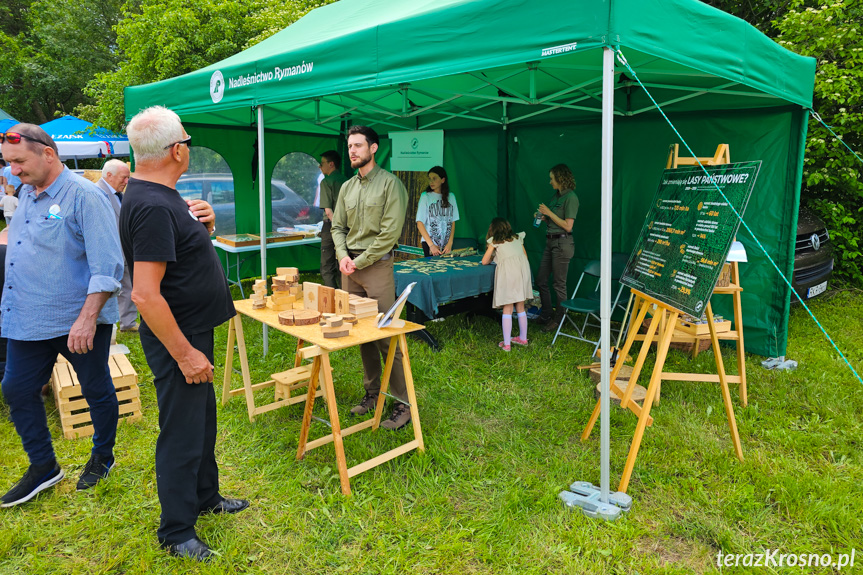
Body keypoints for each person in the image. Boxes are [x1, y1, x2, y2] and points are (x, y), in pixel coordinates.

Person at [121, 106, 247, 561]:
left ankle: (205, 496)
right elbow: (145, 295)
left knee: (201, 422)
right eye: (188, 143)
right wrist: (186, 354)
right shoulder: (153, 205)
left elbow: (178, 256)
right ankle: (176, 531)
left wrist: (205, 227)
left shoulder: (161, 195)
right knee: (181, 431)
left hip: (190, 329)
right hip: (180, 337)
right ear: (178, 150)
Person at [0, 124, 124, 507]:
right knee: (16, 389)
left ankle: (103, 454)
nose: (12, 172)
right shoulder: (27, 193)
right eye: (8, 164)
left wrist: (87, 318)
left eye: (18, 162)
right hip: (29, 319)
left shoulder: (84, 196)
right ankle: (44, 466)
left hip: (78, 321)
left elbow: (108, 265)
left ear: (48, 154)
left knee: (95, 388)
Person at [331, 125, 411, 430]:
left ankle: (402, 402)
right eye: (350, 146)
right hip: (350, 266)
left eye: (358, 146)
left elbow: (390, 233)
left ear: (373, 148)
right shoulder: (346, 188)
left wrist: (358, 261)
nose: (352, 151)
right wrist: (342, 256)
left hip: (376, 267)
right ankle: (372, 394)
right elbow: (337, 227)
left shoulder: (391, 185)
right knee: (361, 334)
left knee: (385, 335)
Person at [535, 163, 579, 332]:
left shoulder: (571, 198)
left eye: (552, 178)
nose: (550, 182)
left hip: (562, 243)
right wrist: (545, 217)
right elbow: (556, 220)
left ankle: (560, 319)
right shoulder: (556, 197)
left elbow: (568, 226)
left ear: (560, 178)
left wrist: (549, 213)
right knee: (541, 279)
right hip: (550, 241)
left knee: (559, 284)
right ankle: (546, 313)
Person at [97, 160, 138, 333]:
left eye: (128, 177)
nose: (126, 182)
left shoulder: (118, 194)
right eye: (124, 177)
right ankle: (110, 323)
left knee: (127, 284)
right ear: (109, 175)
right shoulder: (96, 192)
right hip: (107, 251)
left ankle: (127, 322)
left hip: (122, 248)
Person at [482, 217, 532, 351]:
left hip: (509, 275)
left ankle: (507, 344)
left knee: (508, 308)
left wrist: (494, 255)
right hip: (522, 273)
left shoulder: (495, 241)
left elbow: (484, 261)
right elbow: (524, 256)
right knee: (520, 306)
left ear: (493, 229)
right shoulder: (517, 238)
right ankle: (523, 338)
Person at [416, 166, 460, 257]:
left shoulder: (451, 197)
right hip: (430, 244)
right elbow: (419, 223)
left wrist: (450, 243)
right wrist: (431, 245)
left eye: (434, 178)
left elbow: (453, 221)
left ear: (443, 180)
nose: (431, 181)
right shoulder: (425, 197)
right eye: (429, 179)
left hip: (446, 245)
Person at [318, 150, 347, 288]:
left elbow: (328, 211)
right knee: (344, 262)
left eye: (321, 163)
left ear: (331, 164)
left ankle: (332, 298)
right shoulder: (348, 180)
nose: (319, 166)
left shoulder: (326, 182)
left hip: (332, 227)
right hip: (348, 226)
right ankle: (345, 295)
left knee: (327, 266)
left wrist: (336, 228)